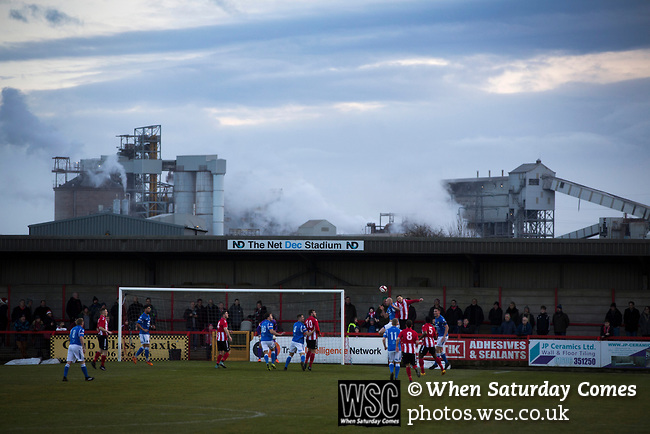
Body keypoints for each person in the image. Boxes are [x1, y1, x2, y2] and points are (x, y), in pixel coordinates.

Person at [62, 318, 94, 382]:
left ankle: (64, 377)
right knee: (82, 361)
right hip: (77, 346)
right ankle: (86, 377)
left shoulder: (72, 329)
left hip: (71, 345)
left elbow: (69, 337)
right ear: (82, 323)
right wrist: (83, 347)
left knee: (68, 362)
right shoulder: (81, 329)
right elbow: (81, 337)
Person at [432, 307, 450, 371]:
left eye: (436, 311)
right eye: (434, 311)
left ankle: (435, 363)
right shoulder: (436, 319)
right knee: (440, 350)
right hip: (440, 336)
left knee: (437, 349)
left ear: (439, 312)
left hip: (443, 336)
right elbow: (438, 328)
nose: (434, 312)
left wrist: (444, 336)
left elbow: (447, 327)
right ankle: (446, 362)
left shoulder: (441, 319)